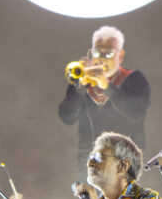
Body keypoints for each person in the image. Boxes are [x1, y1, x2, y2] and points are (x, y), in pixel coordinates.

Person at [58, 26, 150, 172]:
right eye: (96, 52)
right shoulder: (81, 81)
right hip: (89, 166)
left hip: (125, 165)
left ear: (120, 56)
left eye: (108, 54)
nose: (101, 58)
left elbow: (136, 113)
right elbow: (66, 117)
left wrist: (107, 86)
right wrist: (80, 88)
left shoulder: (134, 78)